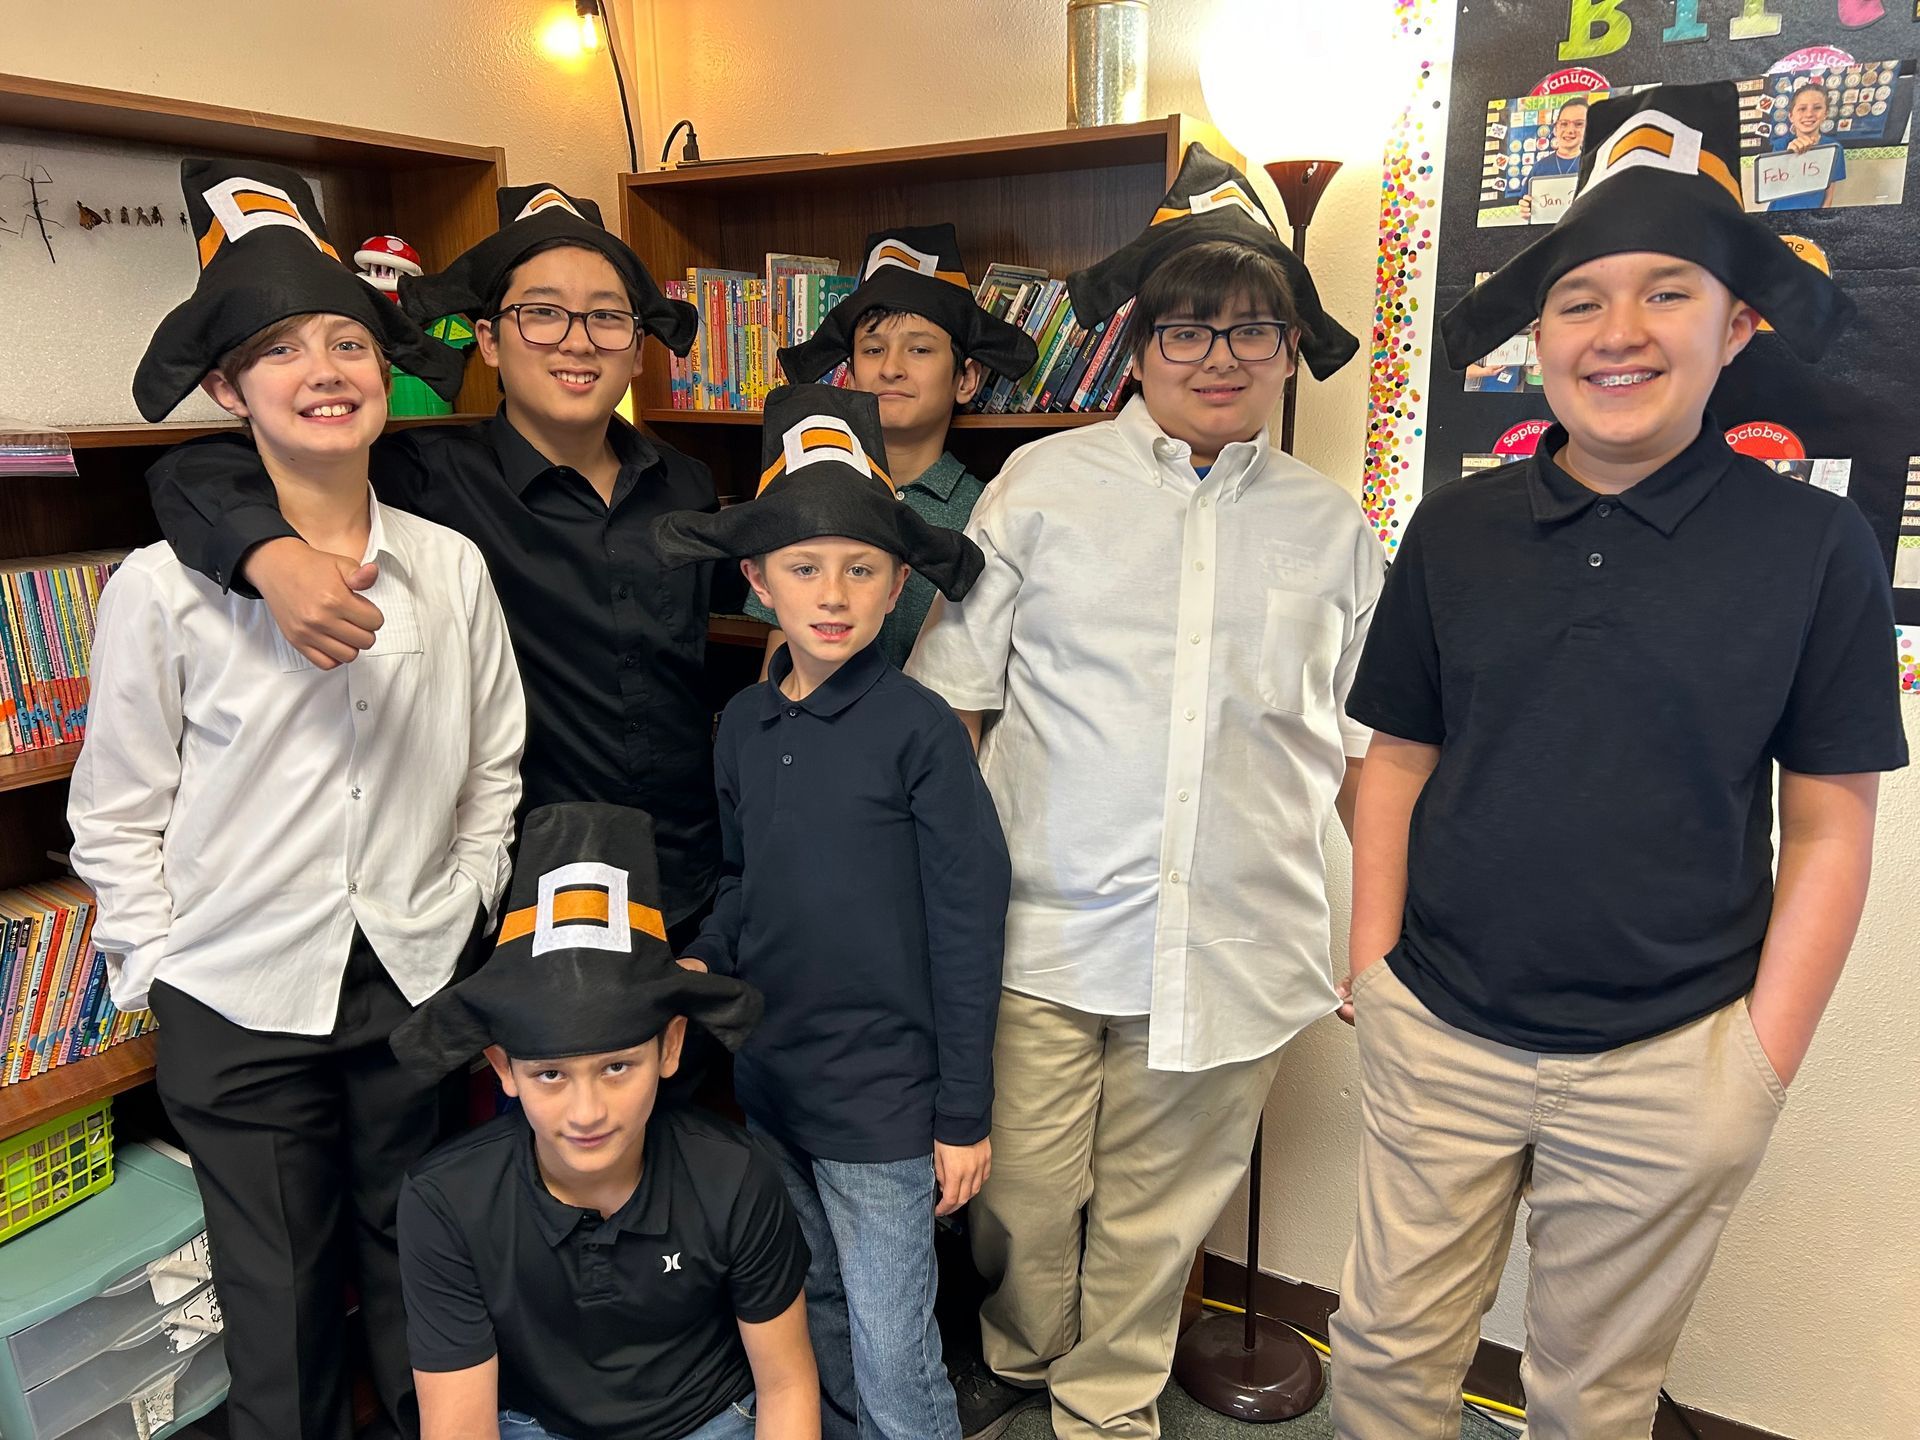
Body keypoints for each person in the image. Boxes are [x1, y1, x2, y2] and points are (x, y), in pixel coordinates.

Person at [1331, 82, 1903, 1440]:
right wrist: (1372, 967)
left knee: (1593, 1401)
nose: (1620, 332)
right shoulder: (1454, 530)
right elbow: (1396, 763)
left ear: (1737, 321)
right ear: (1540, 334)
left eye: (1666, 292)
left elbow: (1830, 826)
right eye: (1581, 299)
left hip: (1673, 1055)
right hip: (1444, 1028)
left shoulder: (1814, 549)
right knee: (1380, 1370)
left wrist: (1760, 1060)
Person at [907, 144, 1379, 1440]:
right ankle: (1021, 1351)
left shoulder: (1332, 527)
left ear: (1290, 348)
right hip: (1041, 934)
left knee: (1164, 1206)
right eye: (1187, 325)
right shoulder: (1040, 490)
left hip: (1238, 936)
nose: (1218, 354)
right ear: (1138, 339)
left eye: (1252, 328)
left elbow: (1363, 750)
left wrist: (1389, 932)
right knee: (1027, 1194)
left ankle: (1105, 1407)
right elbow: (952, 700)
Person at [70, 159, 525, 1440]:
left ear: (385, 373)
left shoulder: (449, 569)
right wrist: (159, 961)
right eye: (281, 351)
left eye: (345, 341)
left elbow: (494, 761)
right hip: (238, 988)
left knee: (420, 1269)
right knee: (272, 1299)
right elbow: (116, 810)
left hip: (413, 969)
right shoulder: (164, 589)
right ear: (229, 390)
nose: (324, 369)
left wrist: (469, 886)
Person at [144, 182, 738, 946]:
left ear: (636, 344)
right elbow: (193, 473)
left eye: (607, 317)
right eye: (543, 313)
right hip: (524, 883)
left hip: (686, 867)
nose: (577, 341)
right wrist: (272, 554)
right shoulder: (423, 476)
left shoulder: (684, 482)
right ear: (489, 341)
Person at [653, 384, 1012, 1440]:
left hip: (887, 1111)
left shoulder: (920, 732)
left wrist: (962, 1115)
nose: (834, 593)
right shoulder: (744, 724)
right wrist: (691, 973)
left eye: (862, 568)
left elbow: (967, 919)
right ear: (756, 578)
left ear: (900, 579)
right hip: (774, 1086)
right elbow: (739, 883)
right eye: (804, 568)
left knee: (899, 1352)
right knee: (810, 1310)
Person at [390, 802, 818, 1440]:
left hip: (709, 1420)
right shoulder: (445, 1202)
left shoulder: (734, 1175)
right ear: (503, 1068)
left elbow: (786, 1385)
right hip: (537, 1425)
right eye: (551, 1075)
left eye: (617, 1068)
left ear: (670, 1048)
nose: (586, 1113)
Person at [746, 223, 1037, 670]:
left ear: (966, 379)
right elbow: (779, 662)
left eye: (919, 350)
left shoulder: (989, 509)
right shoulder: (802, 489)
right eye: (873, 350)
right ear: (849, 375)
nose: (892, 370)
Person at [1767, 83, 1844, 211]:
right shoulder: (1780, 145)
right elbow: (1771, 188)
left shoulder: (1834, 148)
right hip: (1779, 213)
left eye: (1817, 108)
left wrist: (1822, 217)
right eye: (1802, 109)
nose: (1809, 114)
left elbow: (1829, 193)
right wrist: (1788, 155)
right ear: (1791, 116)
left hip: (1812, 215)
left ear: (1825, 114)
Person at [1518, 97, 1588, 220]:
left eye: (1579, 124)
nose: (1570, 130)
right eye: (1564, 124)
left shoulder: (1594, 165)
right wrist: (1525, 210)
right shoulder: (1540, 167)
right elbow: (1525, 203)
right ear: (1555, 129)